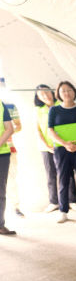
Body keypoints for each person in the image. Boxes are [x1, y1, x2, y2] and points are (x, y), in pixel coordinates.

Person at [47, 81, 76, 223]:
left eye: (69, 90)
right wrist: (65, 144)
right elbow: (50, 130)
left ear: (74, 91)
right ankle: (63, 211)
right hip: (61, 150)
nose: (66, 93)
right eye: (63, 91)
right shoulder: (54, 110)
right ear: (59, 94)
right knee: (63, 180)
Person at [35, 84, 76, 212]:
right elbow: (38, 131)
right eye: (41, 94)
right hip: (46, 147)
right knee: (51, 174)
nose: (45, 96)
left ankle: (72, 200)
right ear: (38, 97)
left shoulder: (63, 104)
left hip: (64, 145)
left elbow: (70, 126)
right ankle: (53, 202)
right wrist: (47, 146)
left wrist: (65, 143)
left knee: (68, 173)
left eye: (47, 92)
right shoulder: (39, 110)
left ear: (53, 92)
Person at [0, 99, 16, 234]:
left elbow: (9, 128)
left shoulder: (1, 104)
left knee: (0, 191)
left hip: (2, 154)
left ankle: (0, 225)